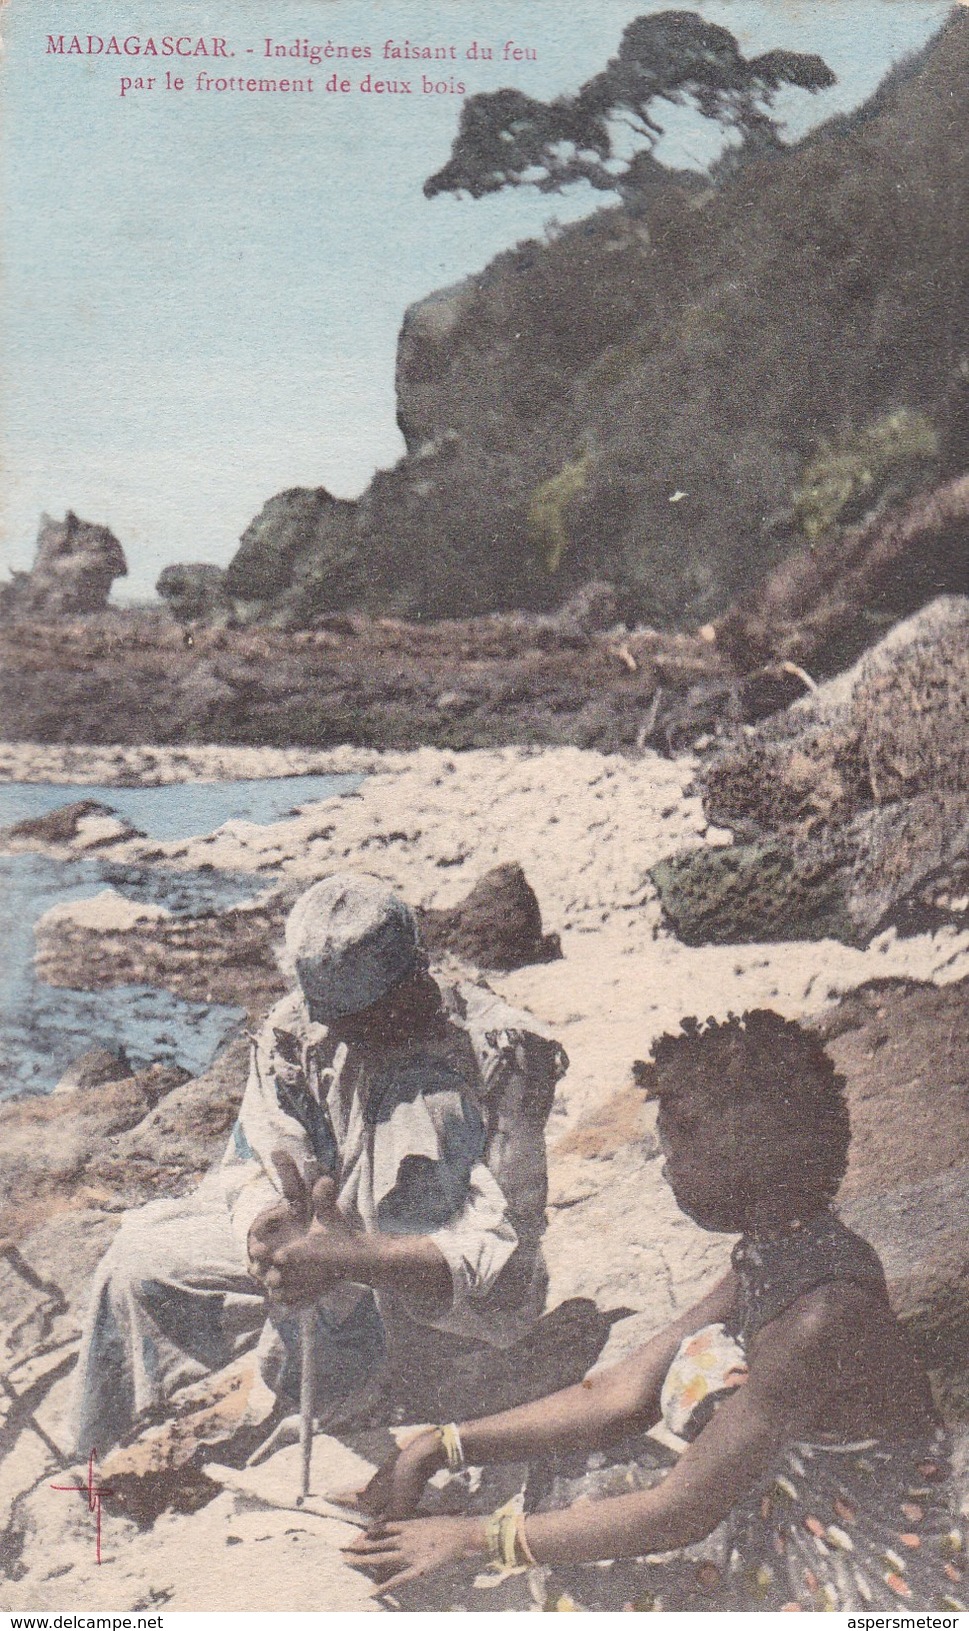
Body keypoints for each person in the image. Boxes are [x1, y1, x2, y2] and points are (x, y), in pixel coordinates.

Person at [345, 1011, 965, 1613]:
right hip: (803, 1500)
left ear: (741, 1160)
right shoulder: (779, 1249)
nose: (666, 1171)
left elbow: (680, 1512)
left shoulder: (820, 1313)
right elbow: (619, 1393)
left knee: (576, 1562)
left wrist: (474, 1537)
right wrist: (438, 1446)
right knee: (572, 1480)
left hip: (874, 1567)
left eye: (676, 1152)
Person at [69, 873, 566, 1458]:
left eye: (368, 1018)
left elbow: (499, 1254)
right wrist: (265, 1224)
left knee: (420, 1134)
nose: (349, 1037)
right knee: (135, 1264)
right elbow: (252, 1157)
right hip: (319, 1245)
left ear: (418, 971)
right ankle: (96, 1463)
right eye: (335, 1020)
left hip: (432, 1291)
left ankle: (362, 1387)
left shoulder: (500, 1054)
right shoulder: (298, 1028)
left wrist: (349, 1257)